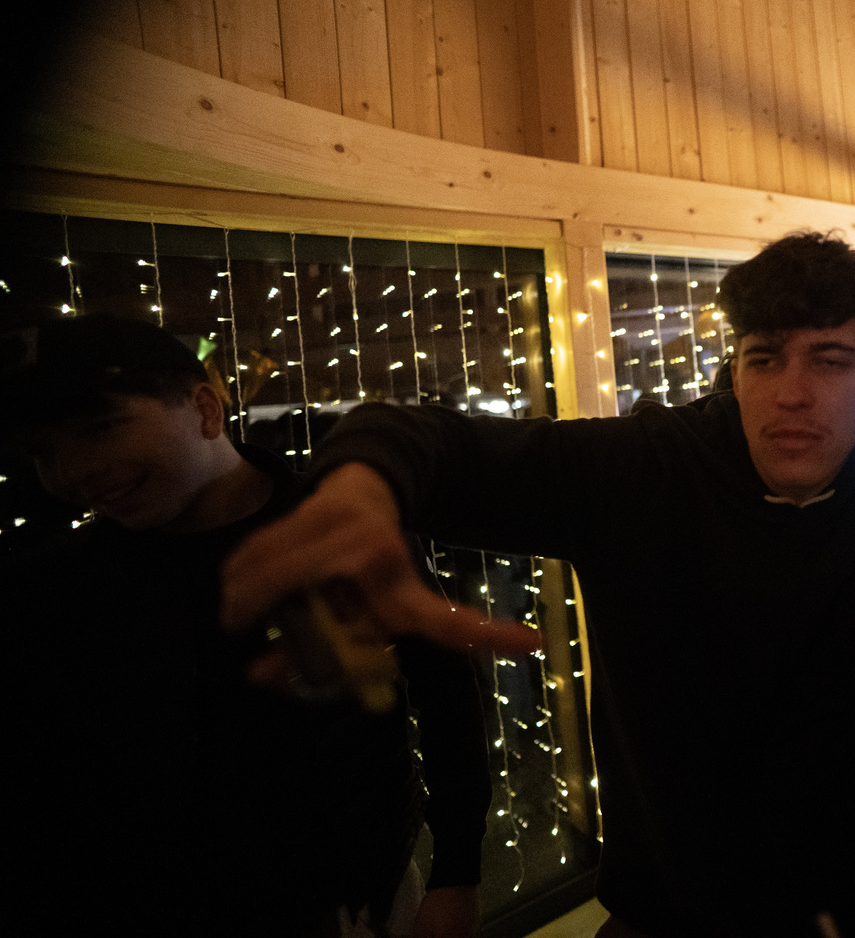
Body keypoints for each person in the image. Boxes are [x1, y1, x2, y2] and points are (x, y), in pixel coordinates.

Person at [222, 232, 855, 938]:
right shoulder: (645, 468)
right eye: (765, 359)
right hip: (661, 924)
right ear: (736, 369)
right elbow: (425, 438)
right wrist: (360, 493)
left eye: (830, 361)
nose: (793, 392)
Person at [1, 315, 497, 938]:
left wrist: (457, 874)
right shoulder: (57, 586)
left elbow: (446, 696)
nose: (72, 472)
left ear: (206, 409)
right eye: (44, 451)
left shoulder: (332, 533)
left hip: (363, 895)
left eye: (100, 427)